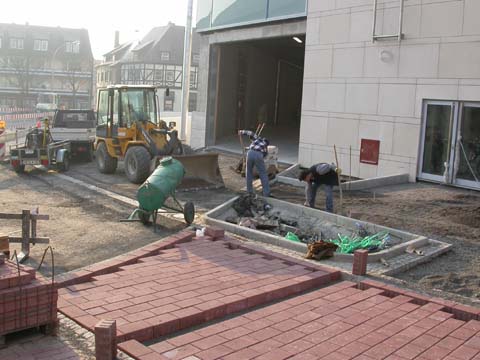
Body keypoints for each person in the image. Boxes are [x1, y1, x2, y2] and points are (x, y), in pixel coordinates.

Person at [238, 129, 271, 197]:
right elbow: (263, 156)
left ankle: (249, 191)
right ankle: (266, 193)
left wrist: (241, 132)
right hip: (259, 155)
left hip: (250, 153)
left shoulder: (258, 139)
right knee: (263, 174)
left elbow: (251, 133)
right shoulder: (265, 148)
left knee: (249, 172)